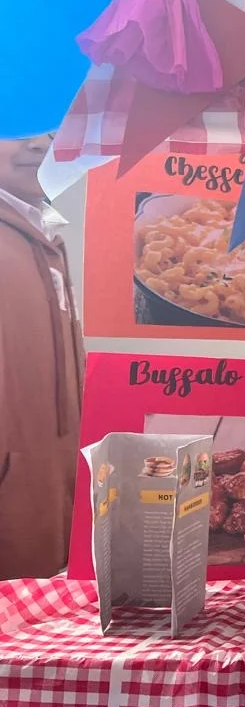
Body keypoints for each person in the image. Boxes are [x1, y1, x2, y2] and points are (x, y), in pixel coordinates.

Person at [0, 132, 84, 580]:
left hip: (47, 507)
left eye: (52, 129)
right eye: (12, 130)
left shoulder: (42, 231)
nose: (38, 144)